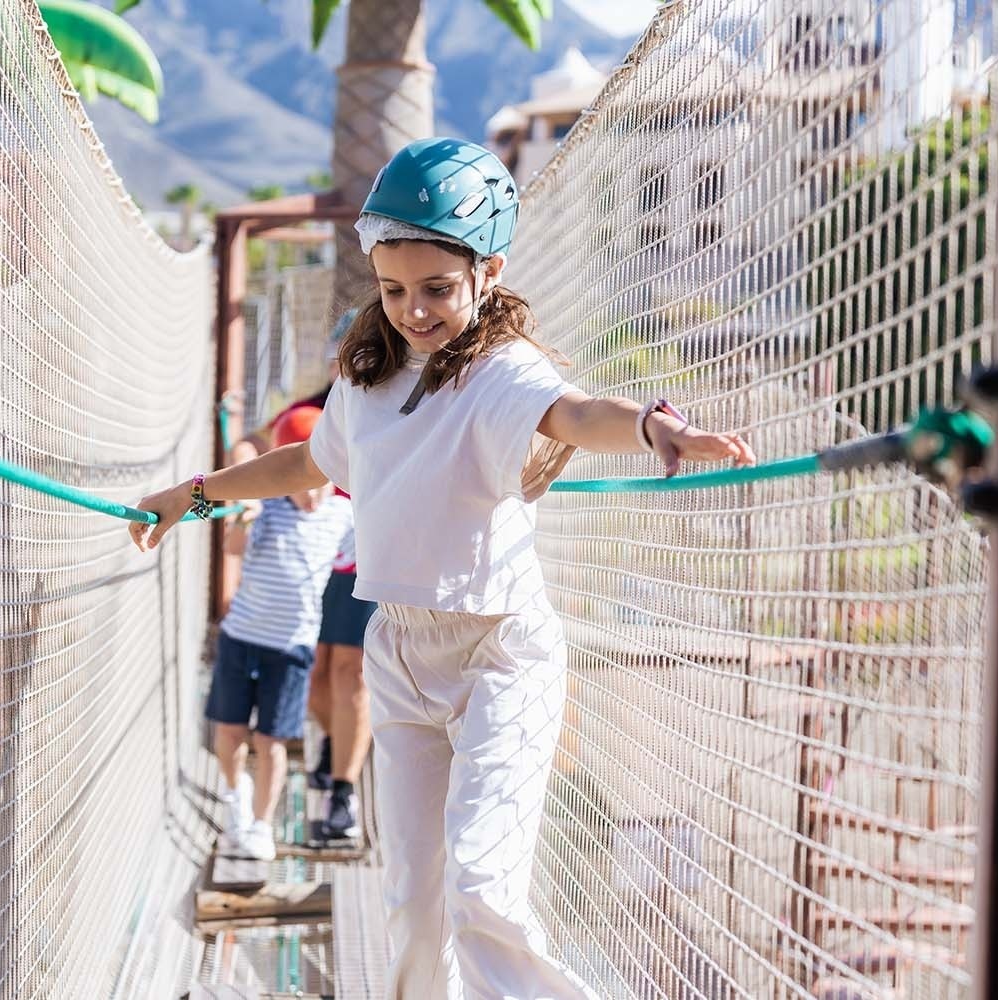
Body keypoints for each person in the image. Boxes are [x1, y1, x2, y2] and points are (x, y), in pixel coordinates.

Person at [130, 137, 755, 1000]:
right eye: (393, 290)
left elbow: (574, 414)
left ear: (487, 271)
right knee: (414, 910)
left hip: (499, 654)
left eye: (435, 288)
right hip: (400, 650)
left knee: (481, 890)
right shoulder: (371, 377)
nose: (412, 309)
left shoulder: (503, 373)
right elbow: (310, 464)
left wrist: (657, 426)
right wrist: (192, 498)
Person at [229, 309, 377, 843]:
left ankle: (342, 791)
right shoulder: (311, 412)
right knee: (317, 676)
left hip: (368, 556)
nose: (354, 364)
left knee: (350, 674)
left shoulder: (396, 409)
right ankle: (337, 743)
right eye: (347, 353)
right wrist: (244, 476)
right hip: (312, 560)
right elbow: (254, 445)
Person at [205, 404, 354, 862]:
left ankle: (262, 825)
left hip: (291, 648)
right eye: (301, 485)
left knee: (271, 740)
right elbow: (231, 547)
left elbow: (357, 558)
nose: (311, 495)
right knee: (229, 730)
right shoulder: (265, 506)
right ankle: (234, 796)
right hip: (242, 637)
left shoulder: (342, 516)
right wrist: (243, 515)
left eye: (320, 483)